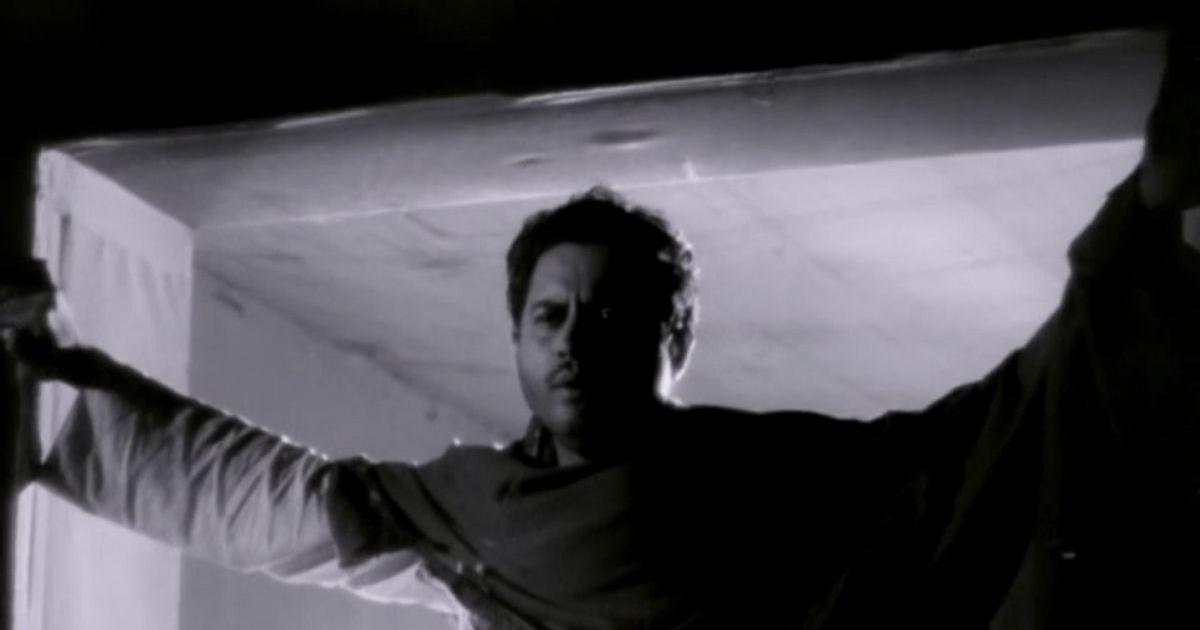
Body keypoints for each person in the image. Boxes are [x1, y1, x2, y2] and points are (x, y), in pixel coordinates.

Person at [3, 33, 1200, 630]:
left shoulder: (770, 476)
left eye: (611, 316)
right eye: (550, 315)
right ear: (518, 339)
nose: (573, 341)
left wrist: (1137, 242)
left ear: (675, 343)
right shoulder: (469, 506)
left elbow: (984, 445)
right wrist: (62, 385)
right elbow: (270, 498)